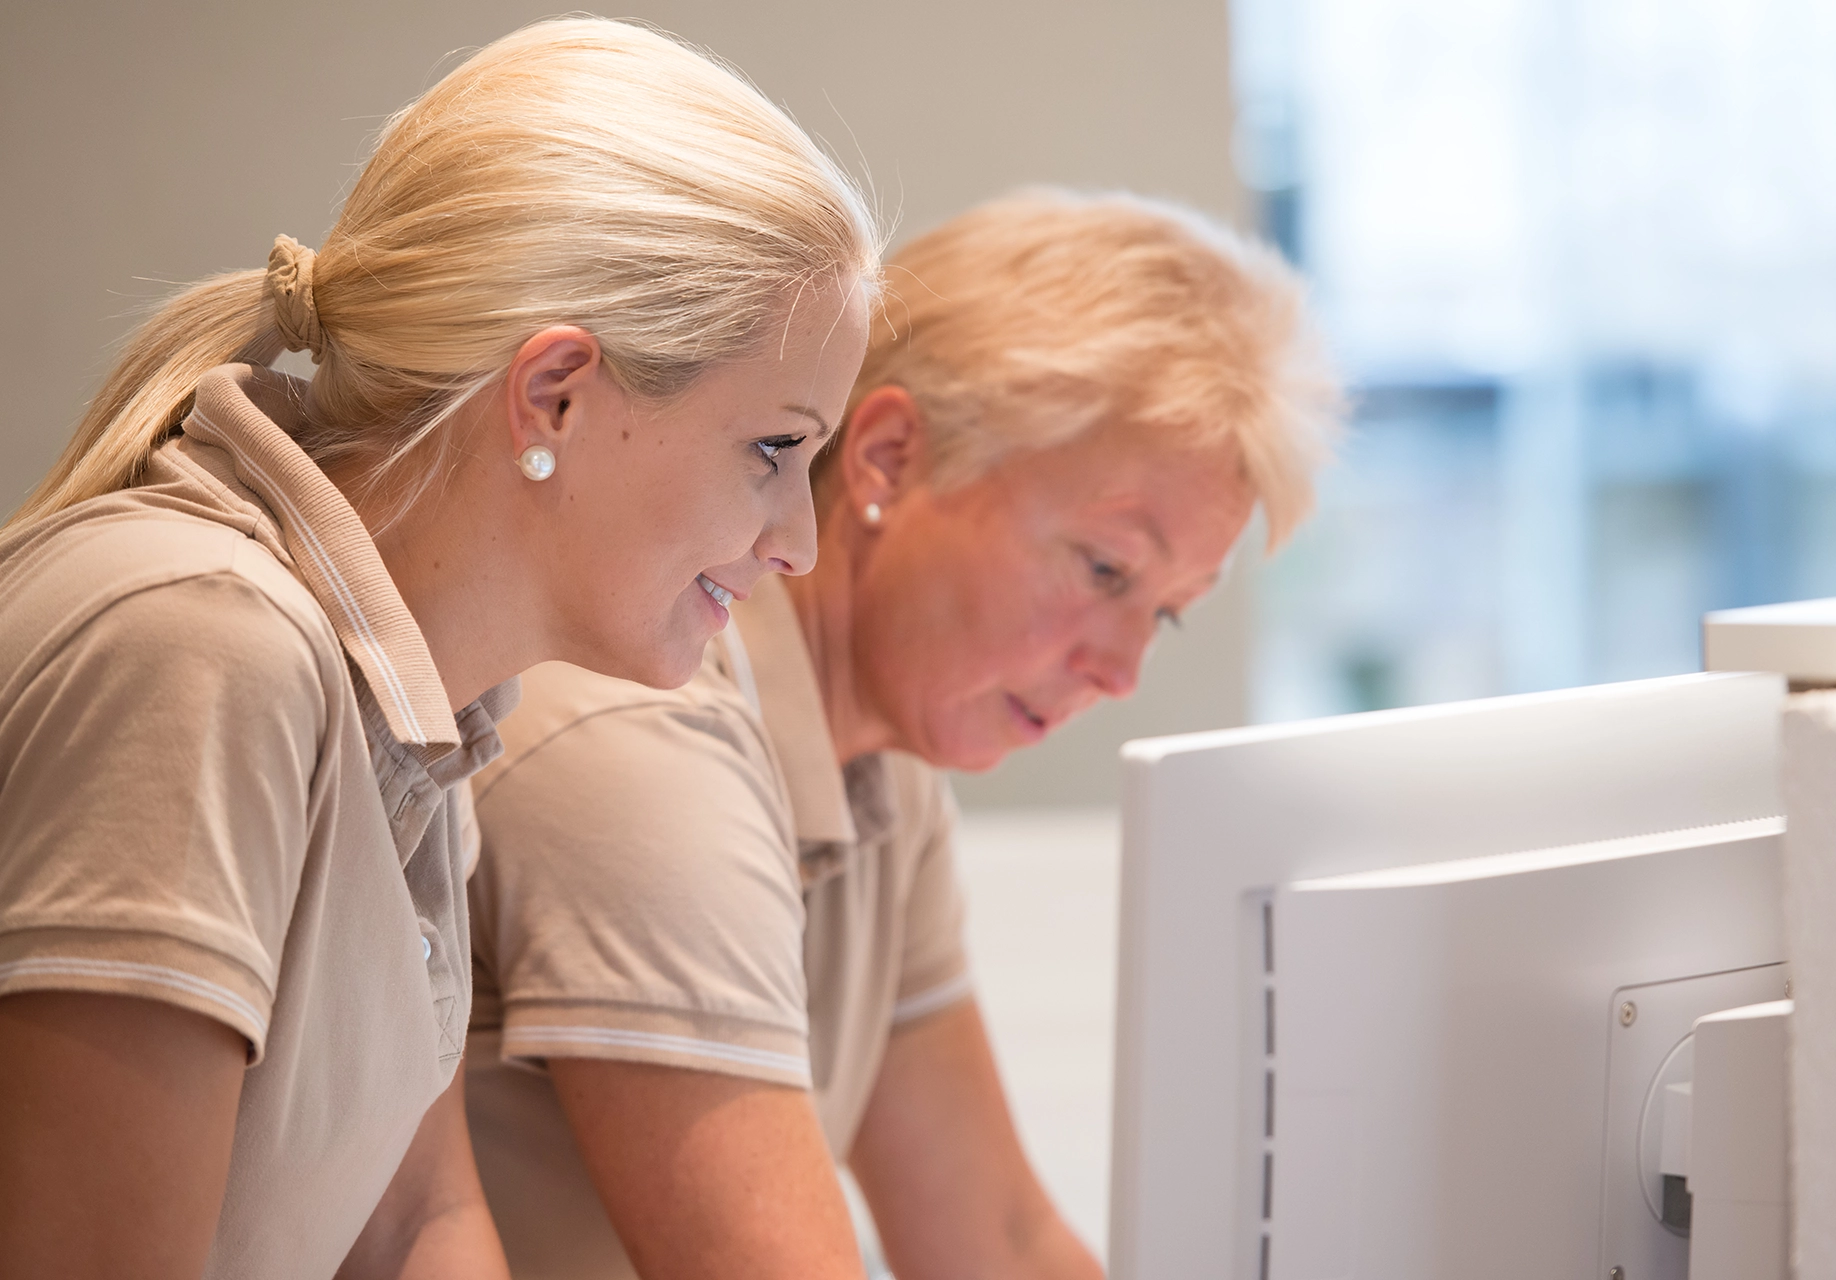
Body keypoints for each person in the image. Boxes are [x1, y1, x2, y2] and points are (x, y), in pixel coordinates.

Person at [0, 18, 877, 1280]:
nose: (798, 538)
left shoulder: (425, 706)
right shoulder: (201, 647)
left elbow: (418, 1223)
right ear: (556, 393)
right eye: (775, 450)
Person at [466, 190, 1340, 1279]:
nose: (1121, 672)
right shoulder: (645, 740)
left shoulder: (883, 770)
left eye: (1160, 609)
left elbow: (997, 1237)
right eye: (1105, 568)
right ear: (885, 458)